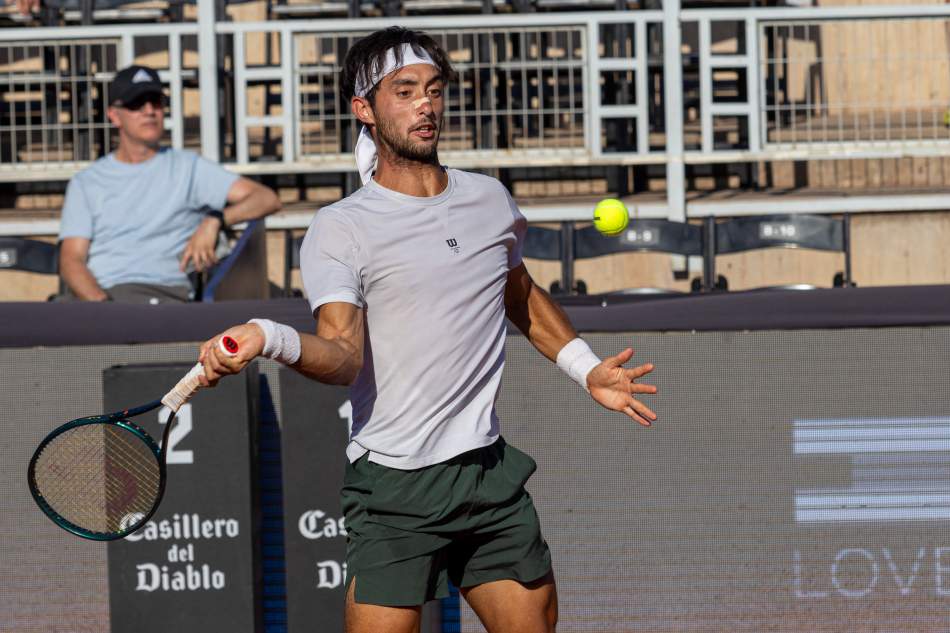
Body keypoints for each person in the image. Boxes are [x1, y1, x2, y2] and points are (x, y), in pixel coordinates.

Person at [196, 28, 657, 633]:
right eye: (405, 90)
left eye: (434, 90)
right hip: (394, 489)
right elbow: (340, 355)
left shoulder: (489, 199)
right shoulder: (341, 229)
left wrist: (583, 366)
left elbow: (516, 291)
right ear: (364, 108)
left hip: (487, 474)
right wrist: (267, 334)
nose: (425, 105)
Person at [58, 65, 281, 303]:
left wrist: (215, 220)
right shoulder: (87, 182)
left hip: (164, 295)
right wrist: (103, 307)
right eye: (137, 104)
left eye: (156, 102)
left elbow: (267, 199)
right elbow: (71, 259)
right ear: (114, 115)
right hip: (100, 298)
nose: (149, 111)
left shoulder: (188, 167)